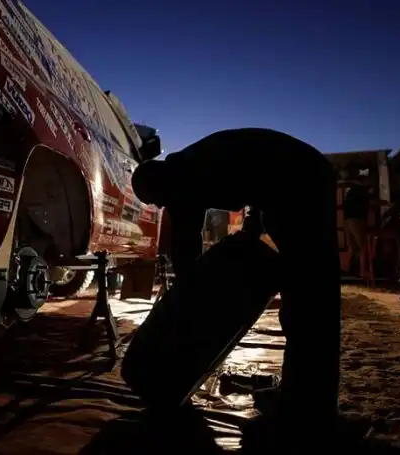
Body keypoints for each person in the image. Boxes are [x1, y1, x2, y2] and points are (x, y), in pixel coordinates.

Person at [130, 128, 340, 445]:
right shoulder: (189, 167)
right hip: (296, 176)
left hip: (300, 179)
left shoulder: (181, 181)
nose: (160, 206)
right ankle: (305, 404)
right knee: (309, 297)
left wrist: (186, 307)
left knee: (309, 304)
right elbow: (254, 177)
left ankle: (304, 417)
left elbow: (185, 252)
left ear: (157, 183)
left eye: (154, 200)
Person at [340, 169, 372, 280]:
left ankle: (346, 269)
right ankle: (363, 271)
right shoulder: (363, 191)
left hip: (347, 221)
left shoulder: (350, 191)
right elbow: (371, 202)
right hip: (357, 221)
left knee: (352, 247)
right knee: (363, 247)